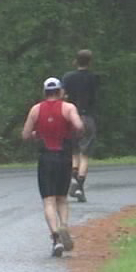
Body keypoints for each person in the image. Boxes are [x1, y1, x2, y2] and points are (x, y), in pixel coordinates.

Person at [22, 77, 84, 257]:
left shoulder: (36, 109)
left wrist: (37, 134)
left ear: (44, 92)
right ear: (59, 91)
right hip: (64, 156)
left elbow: (25, 134)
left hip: (46, 157)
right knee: (62, 198)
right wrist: (73, 132)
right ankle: (64, 225)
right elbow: (79, 126)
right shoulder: (68, 107)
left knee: (48, 200)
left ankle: (56, 236)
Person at [61, 49, 100, 202]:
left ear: (75, 61)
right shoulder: (94, 78)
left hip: (71, 117)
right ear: (90, 62)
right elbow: (95, 98)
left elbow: (62, 95)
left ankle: (74, 180)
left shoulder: (68, 77)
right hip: (88, 117)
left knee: (73, 152)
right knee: (85, 154)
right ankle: (79, 186)